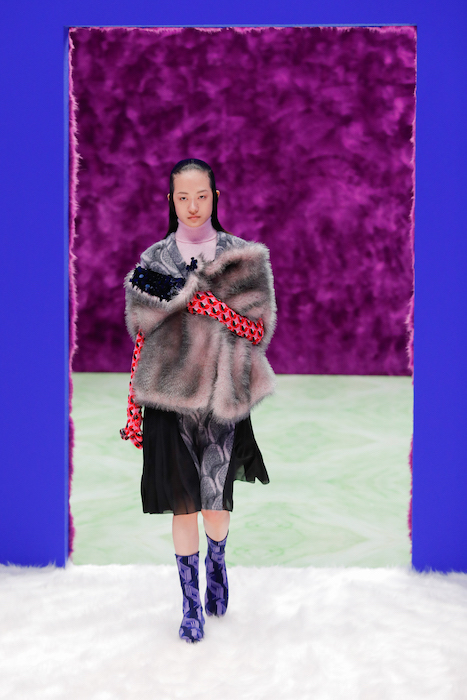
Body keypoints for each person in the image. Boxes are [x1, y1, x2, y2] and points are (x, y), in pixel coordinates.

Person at [121, 158, 276, 642]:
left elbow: (259, 329)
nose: (192, 206)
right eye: (183, 197)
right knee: (183, 504)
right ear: (171, 200)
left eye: (201, 196)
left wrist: (204, 303)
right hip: (168, 396)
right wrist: (186, 296)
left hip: (221, 395)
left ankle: (217, 562)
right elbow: (139, 322)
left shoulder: (243, 258)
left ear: (215, 197)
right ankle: (191, 605)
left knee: (216, 502)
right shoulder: (153, 261)